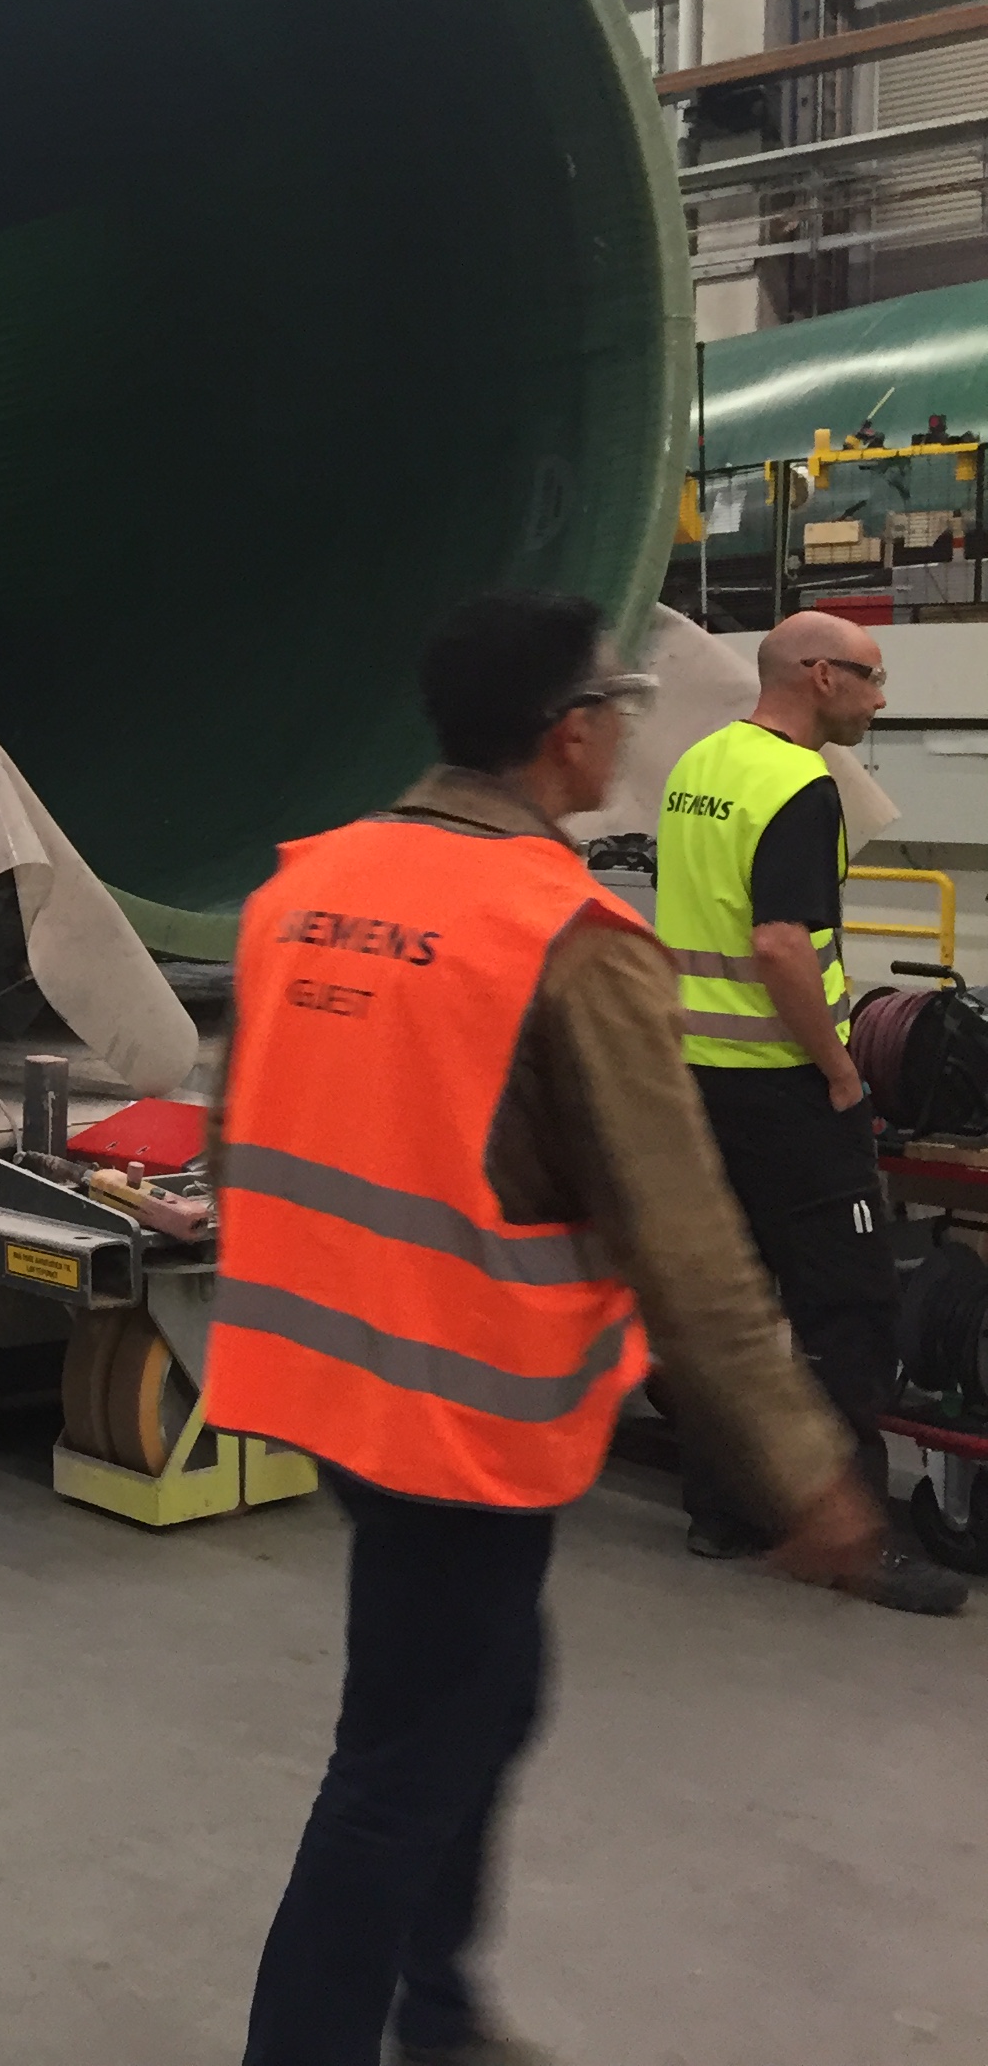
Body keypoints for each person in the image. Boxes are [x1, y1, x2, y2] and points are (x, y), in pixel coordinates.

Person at [208, 590, 881, 2066]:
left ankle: (441, 2016)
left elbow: (237, 1131)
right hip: (464, 1414)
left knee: (484, 1696)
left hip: (327, 1378)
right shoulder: (564, 938)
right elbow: (686, 1242)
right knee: (397, 1771)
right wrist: (802, 1467)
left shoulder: (307, 887)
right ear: (570, 735)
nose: (625, 733)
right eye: (618, 708)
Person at [654, 610, 966, 1614]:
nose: (880, 698)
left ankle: (723, 1509)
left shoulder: (700, 765)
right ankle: (852, 1537)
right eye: (871, 678)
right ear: (821, 676)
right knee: (850, 1309)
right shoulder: (798, 785)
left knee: (735, 1300)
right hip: (787, 1085)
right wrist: (840, 1071)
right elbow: (782, 945)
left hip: (699, 1076)